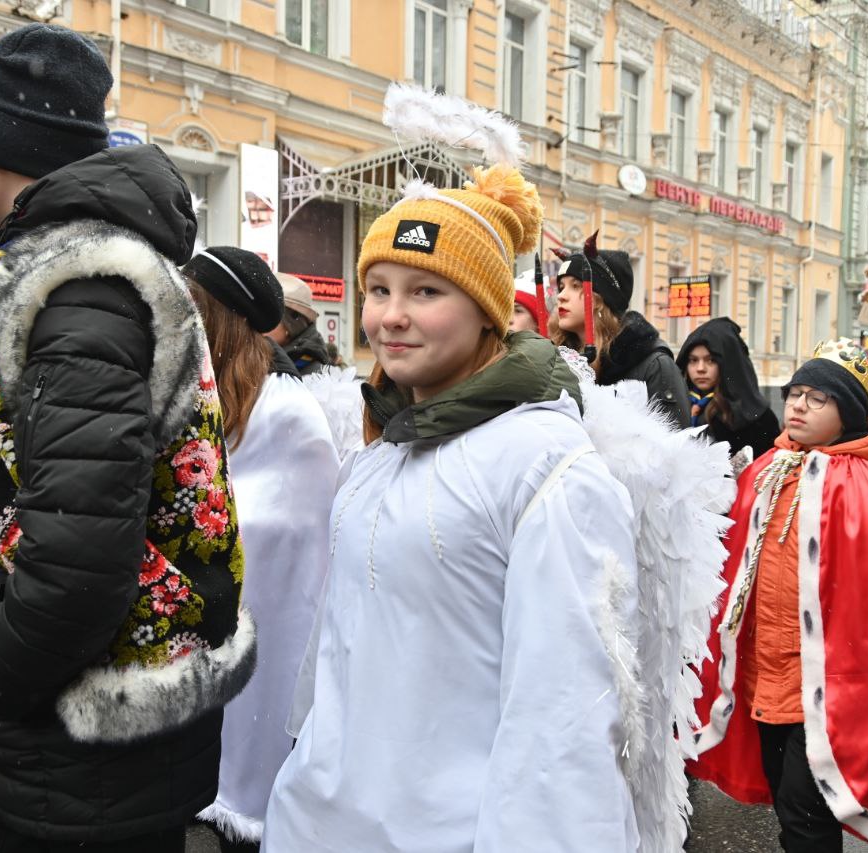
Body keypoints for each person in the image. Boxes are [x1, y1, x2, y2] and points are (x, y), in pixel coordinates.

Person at [262, 161, 640, 851]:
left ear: (486, 311)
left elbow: (563, 724)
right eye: (378, 289)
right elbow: (335, 655)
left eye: (426, 290)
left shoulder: (547, 467)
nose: (390, 315)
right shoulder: (378, 452)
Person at [0, 24, 254, 851]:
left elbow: (79, 567)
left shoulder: (80, 292)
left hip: (73, 752)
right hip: (87, 748)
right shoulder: (87, 268)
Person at [691, 339, 868, 852]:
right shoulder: (765, 470)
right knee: (788, 799)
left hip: (827, 686)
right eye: (796, 392)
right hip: (764, 675)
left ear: (847, 412)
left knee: (806, 808)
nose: (797, 404)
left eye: (816, 397)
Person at [181, 247, 338, 853]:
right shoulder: (195, 393)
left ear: (222, 317)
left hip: (271, 637)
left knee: (254, 810)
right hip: (204, 634)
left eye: (191, 306)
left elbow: (299, 550)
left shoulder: (288, 411)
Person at [551, 233, 690, 425]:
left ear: (601, 301)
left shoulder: (653, 365)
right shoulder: (558, 361)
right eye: (561, 286)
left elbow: (676, 445)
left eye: (575, 286)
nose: (561, 296)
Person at [677, 316, 781, 458]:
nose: (700, 368)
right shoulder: (680, 405)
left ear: (728, 364)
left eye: (711, 360)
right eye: (693, 360)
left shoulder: (756, 418)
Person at [268, 274, 330, 376]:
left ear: (291, 326)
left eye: (269, 317)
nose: (260, 324)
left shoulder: (314, 375)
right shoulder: (266, 361)